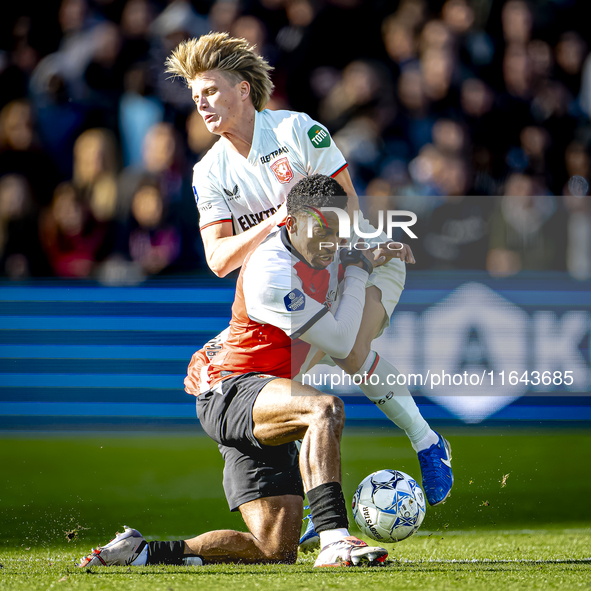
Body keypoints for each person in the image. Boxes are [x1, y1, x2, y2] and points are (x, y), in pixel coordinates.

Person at [164, 33, 453, 541]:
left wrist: (355, 254)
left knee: (347, 347)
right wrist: (277, 220)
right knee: (304, 375)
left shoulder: (298, 131)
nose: (201, 103)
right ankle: (327, 510)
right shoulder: (209, 172)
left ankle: (426, 442)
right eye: (195, 96)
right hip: (290, 280)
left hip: (357, 255)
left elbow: (349, 209)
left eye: (210, 90)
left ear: (244, 90)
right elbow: (218, 259)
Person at [79, 175, 389, 568]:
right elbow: (343, 342)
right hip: (233, 389)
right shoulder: (271, 270)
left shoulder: (324, 251)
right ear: (291, 225)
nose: (332, 239)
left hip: (260, 395)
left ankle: (141, 553)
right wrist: (361, 270)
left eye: (338, 229)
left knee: (274, 550)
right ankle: (334, 538)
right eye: (322, 229)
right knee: (323, 410)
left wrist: (372, 255)